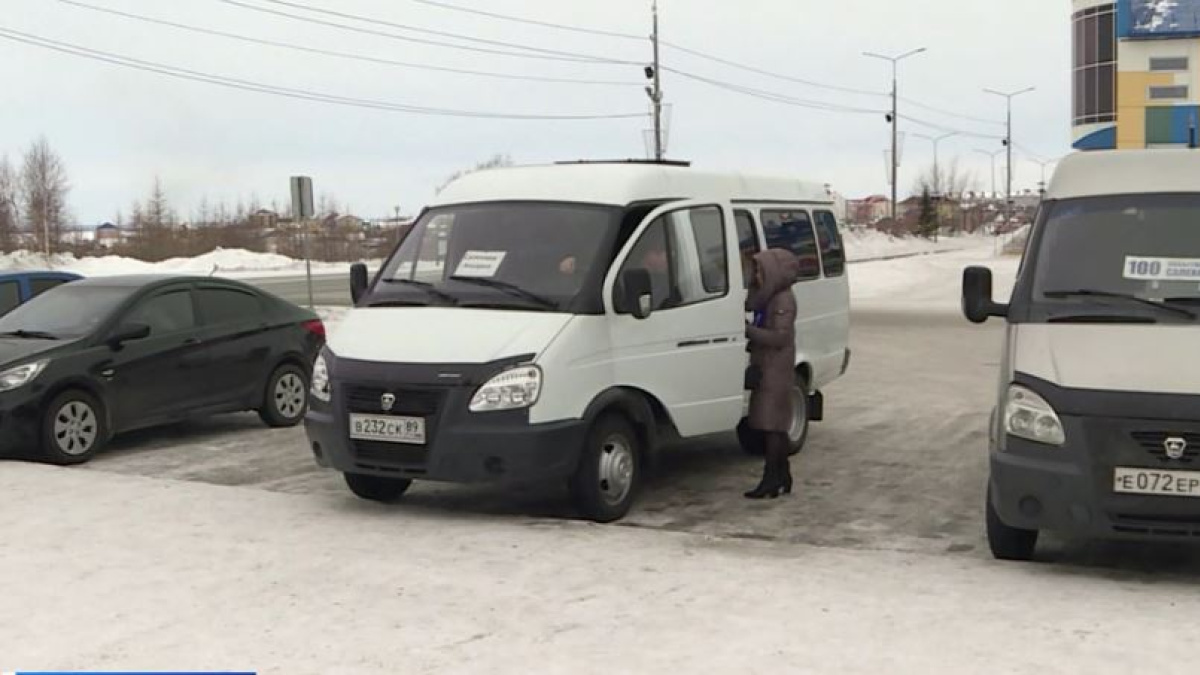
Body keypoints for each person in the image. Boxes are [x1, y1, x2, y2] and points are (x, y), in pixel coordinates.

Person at [743, 248, 801, 500]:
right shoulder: (769, 298)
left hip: (775, 368)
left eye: (759, 270)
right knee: (773, 426)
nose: (755, 275)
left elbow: (780, 336)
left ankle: (771, 478)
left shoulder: (782, 300)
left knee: (772, 426)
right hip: (768, 365)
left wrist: (748, 331)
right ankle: (782, 475)